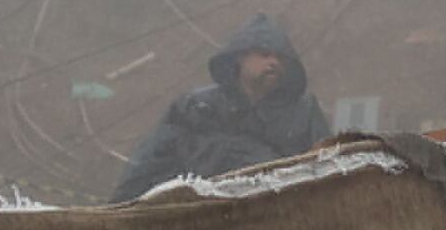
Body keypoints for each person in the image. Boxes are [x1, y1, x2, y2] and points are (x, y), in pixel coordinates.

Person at [109, 14, 327, 199]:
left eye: (281, 58)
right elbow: (149, 167)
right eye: (264, 54)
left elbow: (326, 170)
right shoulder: (196, 107)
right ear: (241, 57)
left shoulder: (304, 112)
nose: (274, 63)